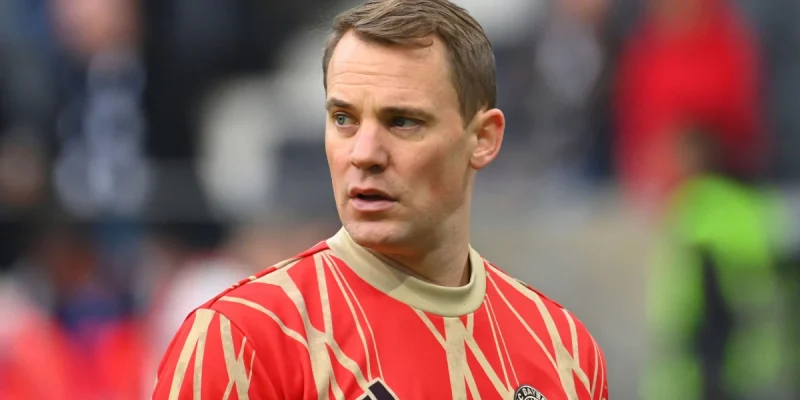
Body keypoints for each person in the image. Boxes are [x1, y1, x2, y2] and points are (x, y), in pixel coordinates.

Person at [152, 0, 608, 398]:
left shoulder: (564, 352)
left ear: (483, 139)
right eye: (344, 119)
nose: (364, 153)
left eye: (403, 121)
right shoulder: (242, 339)